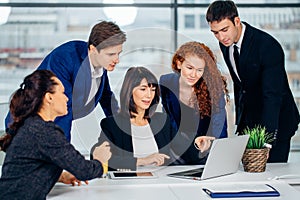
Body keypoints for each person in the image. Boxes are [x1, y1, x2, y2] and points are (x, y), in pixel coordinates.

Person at [206, 0, 300, 162]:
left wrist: (267, 141)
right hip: (250, 121)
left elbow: (273, 96)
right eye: (215, 32)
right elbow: (241, 84)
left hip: (276, 120)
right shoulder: (226, 44)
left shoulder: (267, 46)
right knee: (248, 173)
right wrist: (241, 123)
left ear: (237, 21)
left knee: (271, 173)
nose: (221, 37)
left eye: (224, 30)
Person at [5, 21, 126, 142]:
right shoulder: (65, 58)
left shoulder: (100, 62)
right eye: (111, 54)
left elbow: (106, 97)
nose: (117, 60)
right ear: (93, 49)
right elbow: (61, 109)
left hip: (48, 128)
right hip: (25, 126)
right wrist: (64, 150)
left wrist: (121, 130)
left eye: (118, 54)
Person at [0, 70, 111, 199]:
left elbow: (30, 167)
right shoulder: (44, 131)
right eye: (63, 93)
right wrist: (100, 160)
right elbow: (84, 170)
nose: (67, 98)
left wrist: (60, 176)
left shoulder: (33, 125)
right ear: (49, 98)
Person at [159, 41, 228, 165]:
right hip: (176, 152)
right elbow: (168, 120)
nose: (193, 75)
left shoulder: (214, 88)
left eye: (199, 70)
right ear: (179, 64)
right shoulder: (166, 82)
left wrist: (211, 140)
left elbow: (220, 126)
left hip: (204, 150)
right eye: (189, 68)